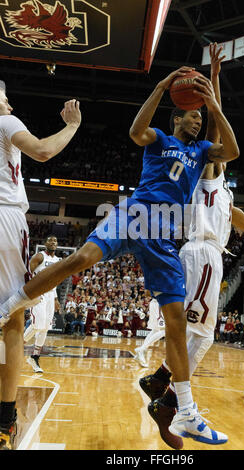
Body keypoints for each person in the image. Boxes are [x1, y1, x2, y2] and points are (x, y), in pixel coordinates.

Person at [0, 64, 240, 447]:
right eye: (192, 116)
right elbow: (134, 131)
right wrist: (162, 86)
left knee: (177, 325)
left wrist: (213, 103)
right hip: (135, 215)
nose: (197, 123)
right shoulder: (160, 137)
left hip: (166, 234)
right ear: (177, 116)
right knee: (82, 258)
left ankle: (186, 412)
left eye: (200, 118)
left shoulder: (202, 149)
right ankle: (8, 306)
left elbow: (233, 149)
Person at [139, 43, 244, 449]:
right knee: (199, 334)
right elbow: (215, 131)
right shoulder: (205, 168)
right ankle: (170, 401)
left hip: (212, 257)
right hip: (198, 252)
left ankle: (162, 383)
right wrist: (214, 83)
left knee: (201, 334)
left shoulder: (226, 195)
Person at [0, 84, 81, 450]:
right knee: (12, 320)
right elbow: (44, 150)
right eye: (5, 97)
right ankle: (5, 419)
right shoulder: (6, 121)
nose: (9, 102)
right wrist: (73, 126)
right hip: (4, 219)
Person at [24, 235, 61, 373]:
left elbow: (55, 281)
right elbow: (27, 273)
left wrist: (56, 298)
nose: (53, 242)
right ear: (45, 243)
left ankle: (34, 357)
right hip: (39, 294)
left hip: (51, 295)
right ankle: (14, 348)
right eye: (50, 240)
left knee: (45, 328)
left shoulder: (57, 260)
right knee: (37, 325)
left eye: (55, 241)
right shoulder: (39, 257)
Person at [134, 295, 165, 368]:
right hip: (159, 303)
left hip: (157, 303)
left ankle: (141, 351)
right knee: (164, 330)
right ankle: (142, 349)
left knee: (156, 330)